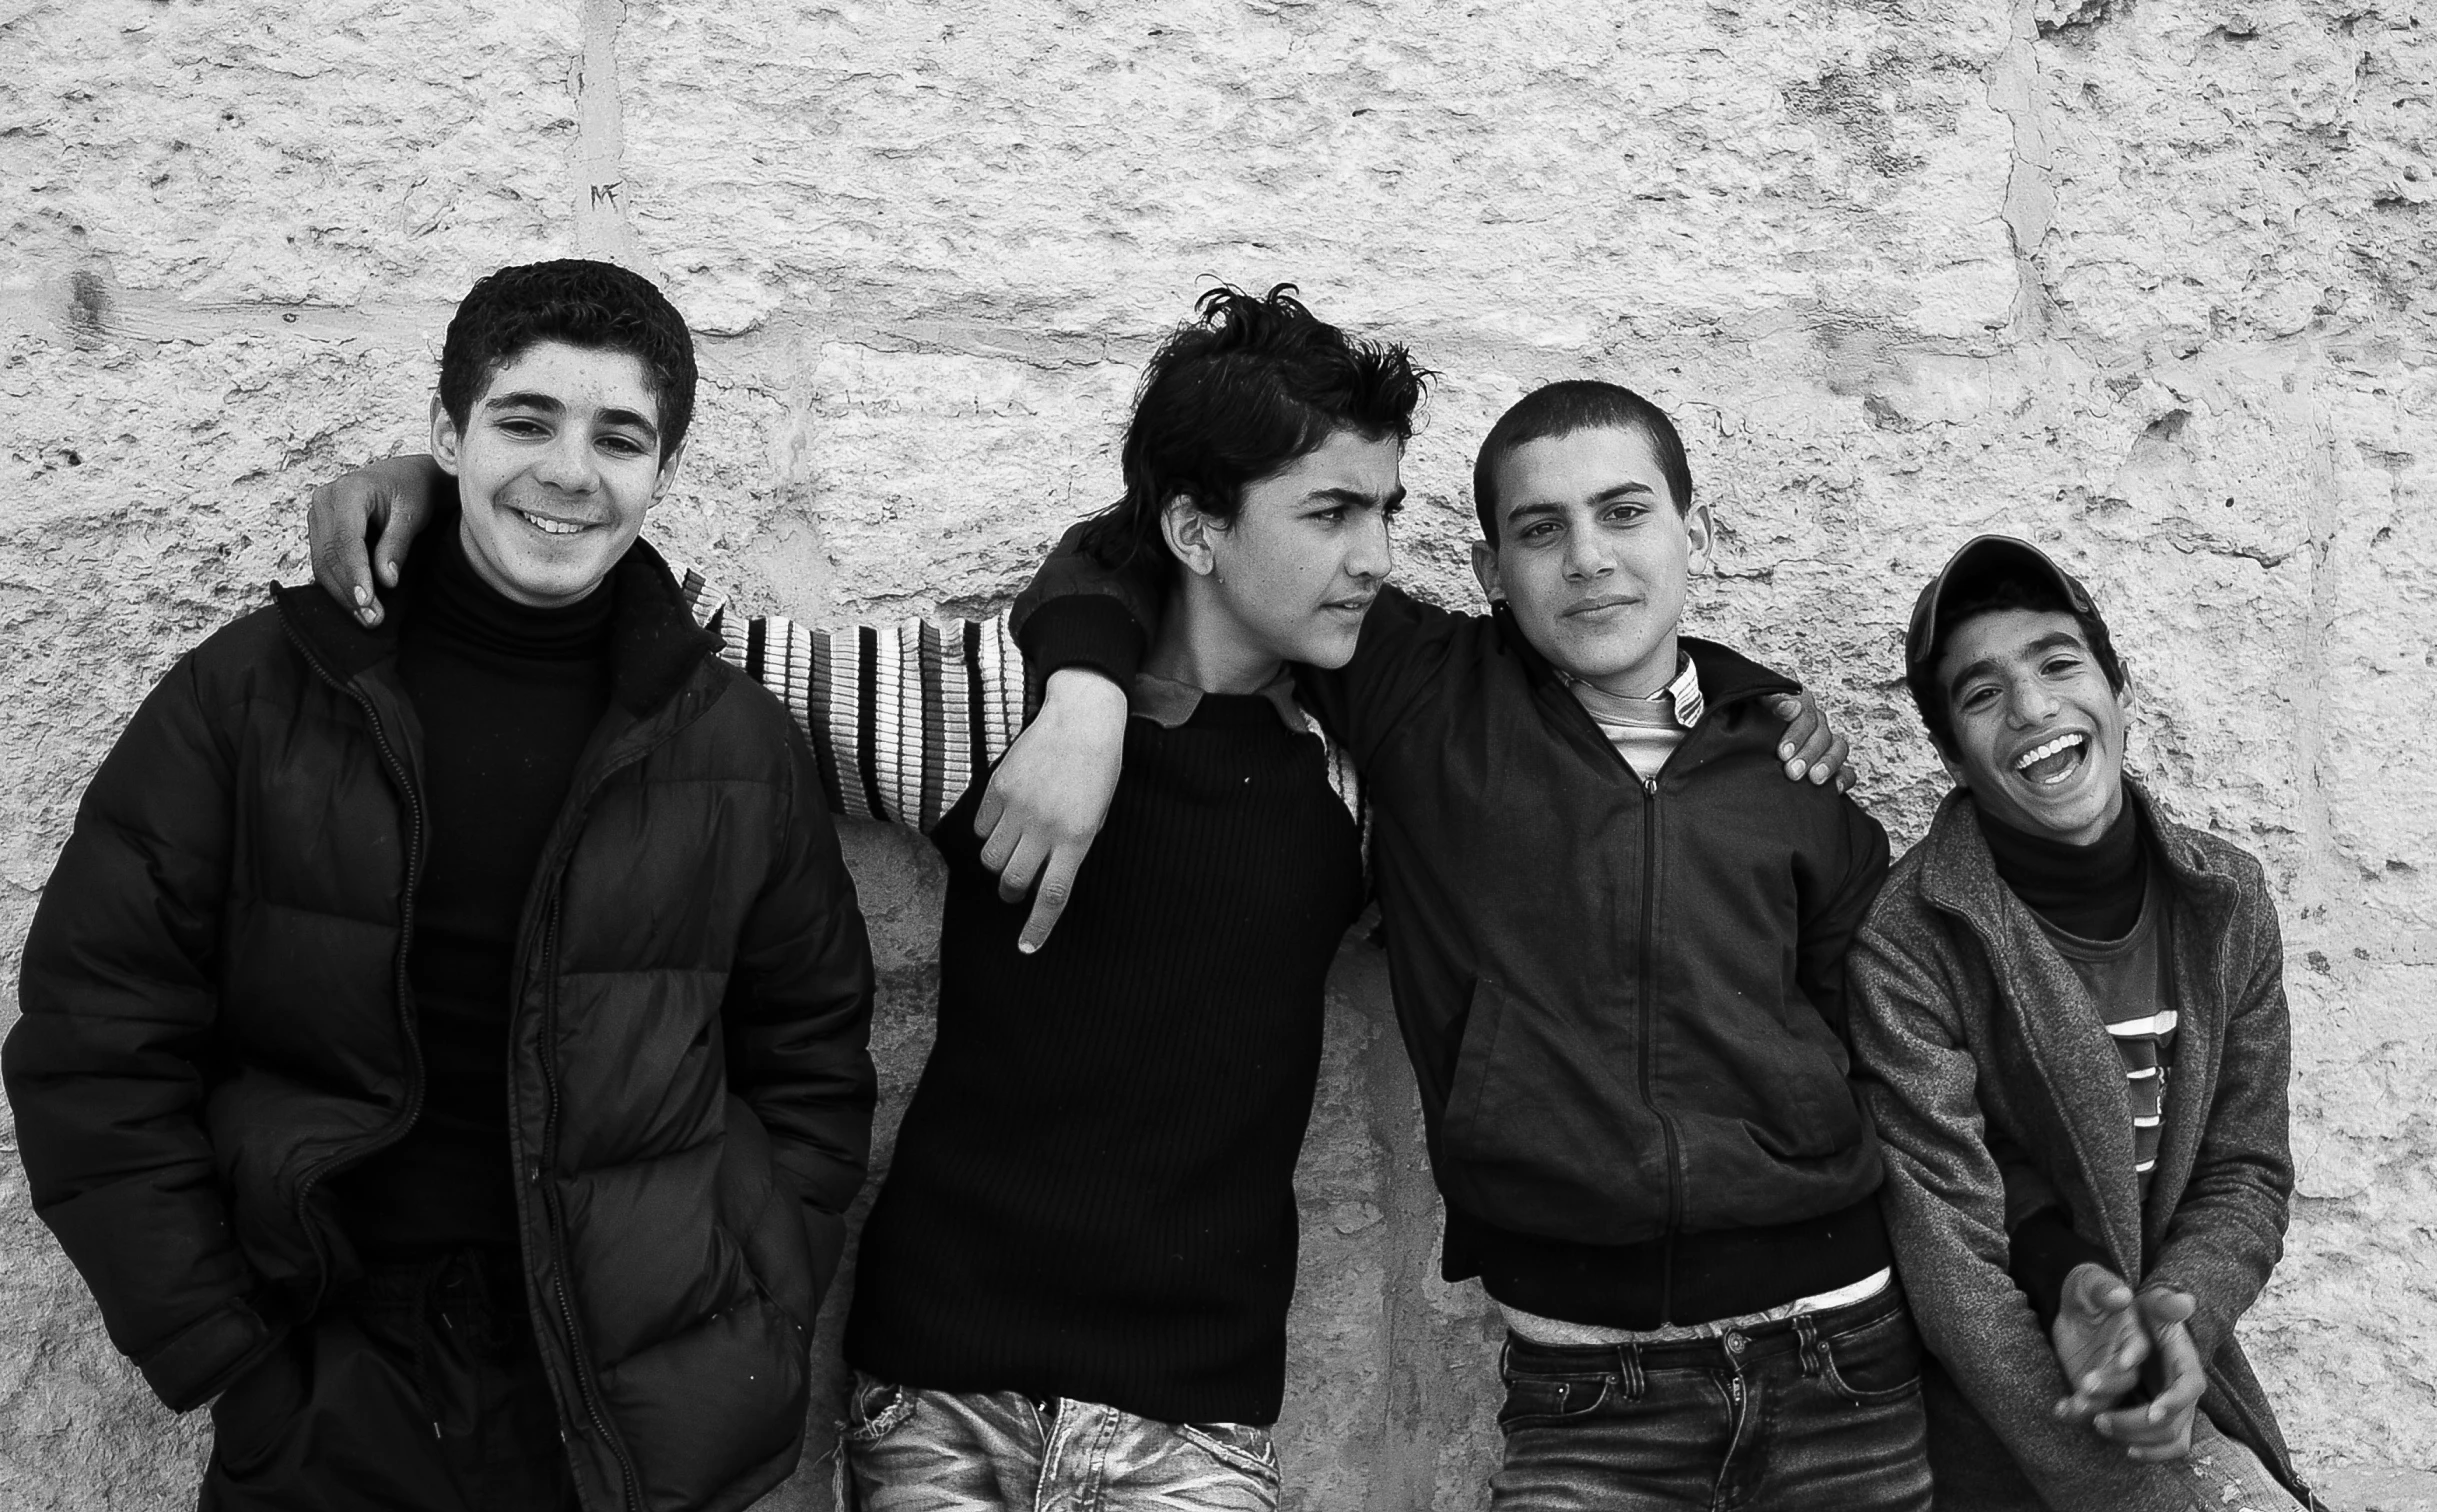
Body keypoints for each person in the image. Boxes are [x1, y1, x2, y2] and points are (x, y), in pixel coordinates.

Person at [305, 288, 1852, 1510]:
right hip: (939, 1385)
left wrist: (1764, 706)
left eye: (1385, 510)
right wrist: (453, 504)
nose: (1381, 556)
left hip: (1197, 1414)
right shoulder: (992, 703)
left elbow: (1583, 715)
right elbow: (691, 649)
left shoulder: (1370, 765)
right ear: (1194, 528)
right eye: (1331, 514)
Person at [5, 258, 879, 1512]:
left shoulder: (728, 740)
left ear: (659, 474)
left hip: (629, 1413)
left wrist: (755, 1295)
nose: (570, 471)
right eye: (526, 420)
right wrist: (231, 1358)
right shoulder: (259, 698)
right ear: (446, 435)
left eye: (618, 437)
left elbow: (810, 1056)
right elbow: (97, 1039)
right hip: (332, 1385)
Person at [1004, 378, 1925, 1510]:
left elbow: (1887, 1055)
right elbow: (1127, 541)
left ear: (1694, 533)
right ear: (1491, 575)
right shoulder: (1423, 694)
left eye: (1624, 513)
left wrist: (1755, 690)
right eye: (1541, 531)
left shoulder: (1791, 772)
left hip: (1842, 1347)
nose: (1587, 558)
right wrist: (1086, 693)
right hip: (1588, 1379)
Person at [1848, 535, 2318, 1510]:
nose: (2032, 708)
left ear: (2115, 685)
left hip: (2168, 1387)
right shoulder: (1909, 939)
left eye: (2059, 664)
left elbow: (2244, 1169)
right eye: (1980, 696)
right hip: (1992, 1434)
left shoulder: (2224, 900)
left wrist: (2176, 1326)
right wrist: (2127, 1486)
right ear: (1949, 754)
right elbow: (1951, 1262)